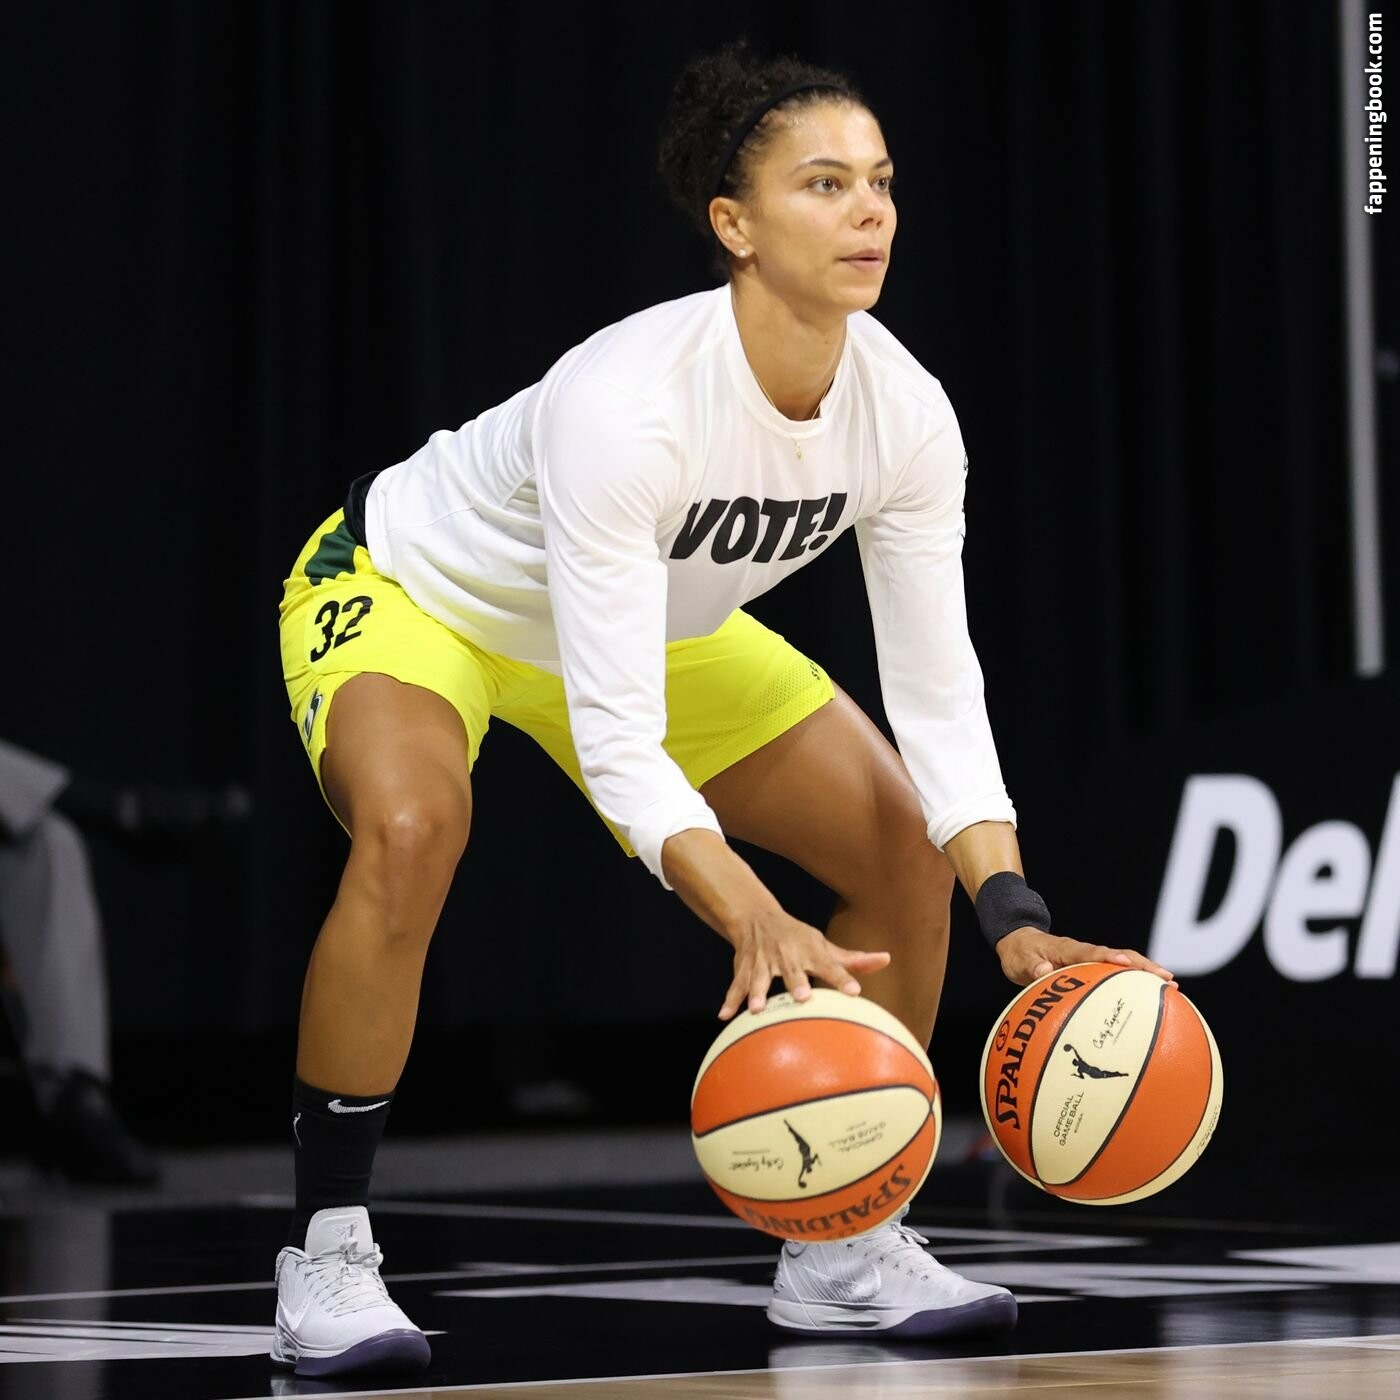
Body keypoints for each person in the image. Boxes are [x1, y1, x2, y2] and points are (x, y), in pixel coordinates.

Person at [269, 42, 1173, 1378]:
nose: (870, 213)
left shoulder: (907, 415)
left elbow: (937, 684)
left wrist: (1012, 908)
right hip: (422, 594)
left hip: (648, 624)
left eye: (882, 182)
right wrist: (747, 909)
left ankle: (844, 1237)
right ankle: (328, 1249)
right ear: (734, 226)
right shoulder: (626, 401)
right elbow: (617, 739)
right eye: (825, 184)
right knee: (412, 829)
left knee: (902, 849)